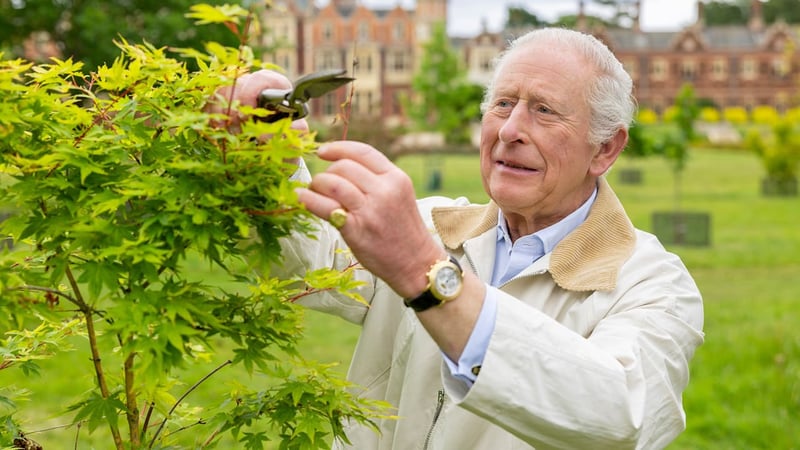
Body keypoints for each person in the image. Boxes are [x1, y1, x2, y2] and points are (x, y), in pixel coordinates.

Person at [224, 27, 704, 449]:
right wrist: (265, 160)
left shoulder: (652, 284)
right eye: (503, 103)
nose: (511, 130)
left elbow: (621, 416)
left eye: (544, 110)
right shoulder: (432, 225)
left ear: (605, 148)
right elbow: (308, 261)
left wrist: (424, 273)